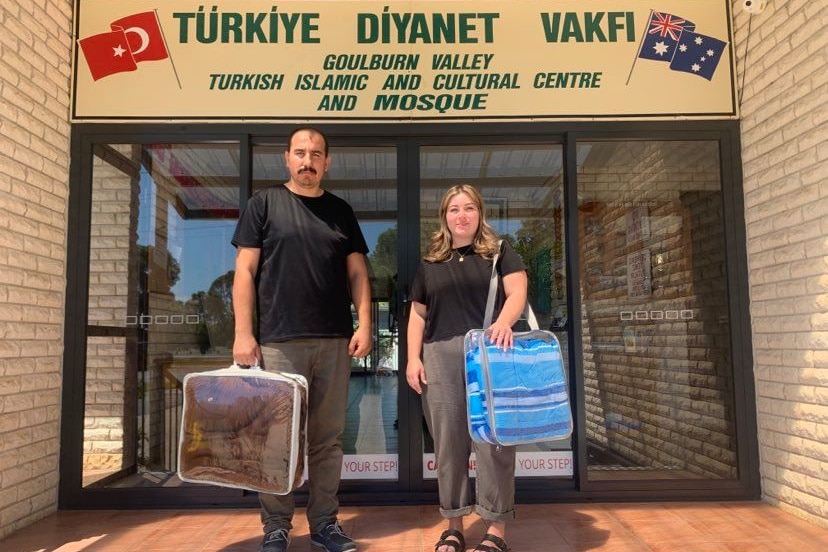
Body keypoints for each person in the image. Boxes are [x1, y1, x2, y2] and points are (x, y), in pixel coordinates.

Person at [232, 127, 372, 552]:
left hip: (333, 341)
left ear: (327, 162)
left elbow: (358, 274)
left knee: (327, 439)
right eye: (300, 153)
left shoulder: (341, 211)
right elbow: (244, 272)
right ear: (286, 158)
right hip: (279, 342)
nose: (307, 161)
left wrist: (364, 323)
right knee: (275, 437)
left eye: (316, 154)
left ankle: (325, 524)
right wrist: (243, 331)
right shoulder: (264, 205)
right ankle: (276, 526)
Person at [406, 184, 528, 552]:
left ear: (480, 213)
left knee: (493, 442)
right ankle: (454, 525)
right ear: (445, 217)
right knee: (449, 443)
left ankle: (495, 531)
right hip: (439, 355)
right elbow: (416, 314)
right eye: (454, 209)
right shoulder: (430, 264)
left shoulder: (499, 252)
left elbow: (518, 292)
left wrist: (505, 322)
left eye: (469, 208)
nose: (462, 215)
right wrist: (413, 358)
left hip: (488, 352)